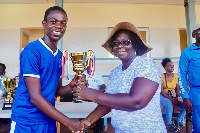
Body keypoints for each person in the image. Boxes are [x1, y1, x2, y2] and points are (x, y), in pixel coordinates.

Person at [74, 22, 167, 132]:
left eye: (126, 42)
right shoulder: (115, 72)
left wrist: (92, 94)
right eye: (115, 43)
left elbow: (137, 101)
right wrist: (89, 120)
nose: (120, 46)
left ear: (135, 44)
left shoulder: (146, 65)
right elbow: (109, 102)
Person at [10, 6, 83, 133]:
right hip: (27, 122)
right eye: (53, 21)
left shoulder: (60, 55)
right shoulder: (32, 51)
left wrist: (71, 86)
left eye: (63, 23)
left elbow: (55, 91)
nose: (59, 26)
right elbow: (35, 97)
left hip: (48, 119)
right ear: (44, 24)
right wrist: (68, 122)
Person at [179, 23, 200, 132]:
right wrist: (185, 97)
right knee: (198, 127)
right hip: (196, 92)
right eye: (199, 32)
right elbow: (181, 75)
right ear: (193, 35)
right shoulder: (187, 53)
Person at [160, 58, 186, 132]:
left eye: (173, 65)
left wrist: (176, 96)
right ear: (165, 67)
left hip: (173, 96)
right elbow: (161, 91)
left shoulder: (176, 77)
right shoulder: (161, 76)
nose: (172, 67)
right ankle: (169, 123)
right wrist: (170, 99)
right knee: (169, 103)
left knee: (185, 105)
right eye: (170, 65)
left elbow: (177, 89)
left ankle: (178, 120)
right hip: (163, 96)